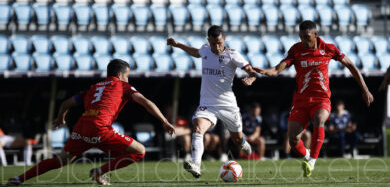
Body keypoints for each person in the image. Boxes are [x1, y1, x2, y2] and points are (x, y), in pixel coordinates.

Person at [7, 59, 175, 185]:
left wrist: (61, 118)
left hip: (82, 127)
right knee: (139, 151)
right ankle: (99, 171)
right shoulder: (123, 86)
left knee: (61, 159)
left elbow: (66, 103)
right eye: (127, 76)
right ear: (119, 75)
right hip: (100, 128)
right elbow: (146, 102)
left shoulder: (94, 88)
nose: (128, 79)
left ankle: (18, 178)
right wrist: (164, 121)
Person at [253, 20, 374, 177]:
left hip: (321, 98)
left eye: (306, 36)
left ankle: (312, 162)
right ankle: (307, 155)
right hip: (301, 101)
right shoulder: (296, 50)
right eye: (301, 36)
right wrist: (265, 72)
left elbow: (350, 65)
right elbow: (278, 68)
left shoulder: (329, 49)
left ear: (315, 34)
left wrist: (365, 89)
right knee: (293, 141)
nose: (303, 40)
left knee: (319, 119)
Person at [167, 25, 257, 178]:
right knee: (197, 129)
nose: (217, 46)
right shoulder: (205, 50)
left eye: (220, 43)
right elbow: (196, 52)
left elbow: (251, 70)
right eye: (214, 43)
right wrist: (177, 44)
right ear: (208, 40)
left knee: (236, 139)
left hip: (228, 105)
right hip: (207, 104)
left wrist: (251, 78)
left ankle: (242, 142)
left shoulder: (233, 55)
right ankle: (196, 164)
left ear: (224, 40)